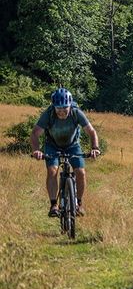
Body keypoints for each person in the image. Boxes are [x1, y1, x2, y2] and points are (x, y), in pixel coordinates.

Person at [30, 88, 101, 217]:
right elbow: (35, 133)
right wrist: (36, 150)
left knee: (81, 172)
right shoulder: (49, 114)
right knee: (52, 171)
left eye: (65, 109)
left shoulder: (76, 113)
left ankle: (78, 203)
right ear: (54, 107)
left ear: (70, 106)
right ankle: (53, 205)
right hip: (52, 146)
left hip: (72, 146)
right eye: (59, 109)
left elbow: (91, 131)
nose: (62, 112)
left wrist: (95, 147)